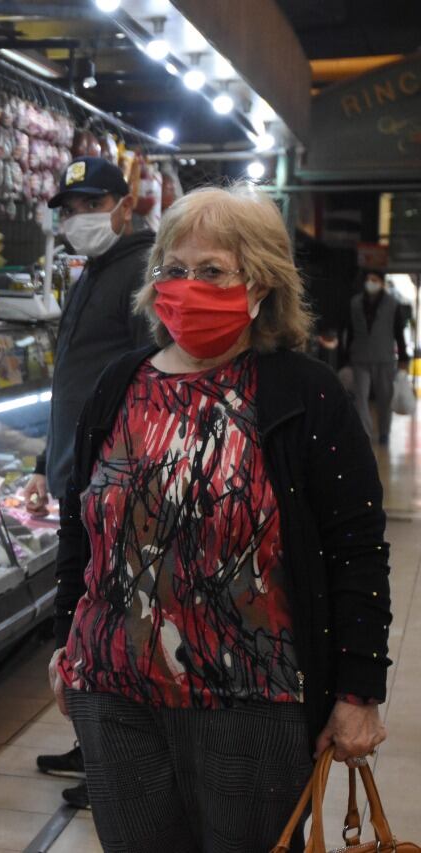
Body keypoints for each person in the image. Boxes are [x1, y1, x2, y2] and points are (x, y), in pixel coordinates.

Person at [50, 185, 391, 852]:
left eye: (211, 270)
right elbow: (79, 526)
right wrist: (65, 638)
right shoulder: (119, 382)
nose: (187, 285)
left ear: (260, 284)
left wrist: (359, 686)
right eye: (173, 269)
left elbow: (355, 548)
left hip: (250, 704)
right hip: (113, 694)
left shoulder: (305, 392)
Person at [22, 155, 155, 809]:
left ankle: (111, 762)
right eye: (68, 208)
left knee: (106, 619)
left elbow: (146, 384)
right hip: (78, 473)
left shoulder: (140, 274)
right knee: (82, 619)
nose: (75, 218)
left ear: (123, 207)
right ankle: (90, 743)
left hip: (110, 482)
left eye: (86, 205)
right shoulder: (94, 271)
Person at [346, 268, 411, 445]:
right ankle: (365, 433)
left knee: (384, 398)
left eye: (374, 279)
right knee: (360, 398)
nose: (370, 283)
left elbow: (398, 332)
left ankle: (384, 432)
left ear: (382, 282)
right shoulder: (355, 303)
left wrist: (404, 358)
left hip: (384, 358)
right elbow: (350, 331)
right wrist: (347, 356)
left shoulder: (392, 304)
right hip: (360, 357)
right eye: (368, 279)